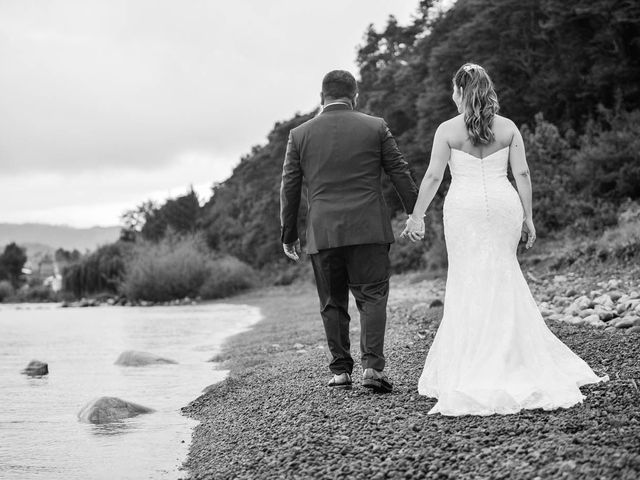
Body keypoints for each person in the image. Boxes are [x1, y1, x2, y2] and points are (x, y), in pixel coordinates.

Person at [402, 63, 608, 415]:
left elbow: (435, 175)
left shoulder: (447, 130)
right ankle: (514, 356)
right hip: (503, 205)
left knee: (468, 277)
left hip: (464, 209)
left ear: (459, 92)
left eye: (453, 90)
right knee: (503, 272)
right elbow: (522, 173)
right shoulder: (508, 127)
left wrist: (417, 214)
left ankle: (473, 361)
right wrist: (528, 216)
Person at [280, 70, 419, 392]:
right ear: (355, 96)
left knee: (332, 302)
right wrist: (416, 213)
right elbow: (400, 172)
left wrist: (289, 234)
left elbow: (289, 188)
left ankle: (341, 372)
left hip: (323, 232)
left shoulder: (299, 135)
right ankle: (372, 369)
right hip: (369, 227)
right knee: (372, 298)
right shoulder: (375, 126)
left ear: (321, 97)